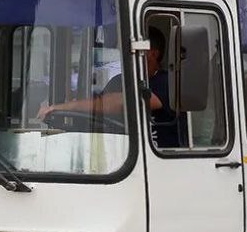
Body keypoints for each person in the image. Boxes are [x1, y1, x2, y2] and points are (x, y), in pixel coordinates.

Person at [38, 27, 182, 147]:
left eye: (131, 49)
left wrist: (61, 107)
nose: (126, 54)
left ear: (153, 54)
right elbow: (97, 111)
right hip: (120, 156)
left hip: (158, 162)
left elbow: (117, 103)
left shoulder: (167, 82)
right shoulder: (119, 81)